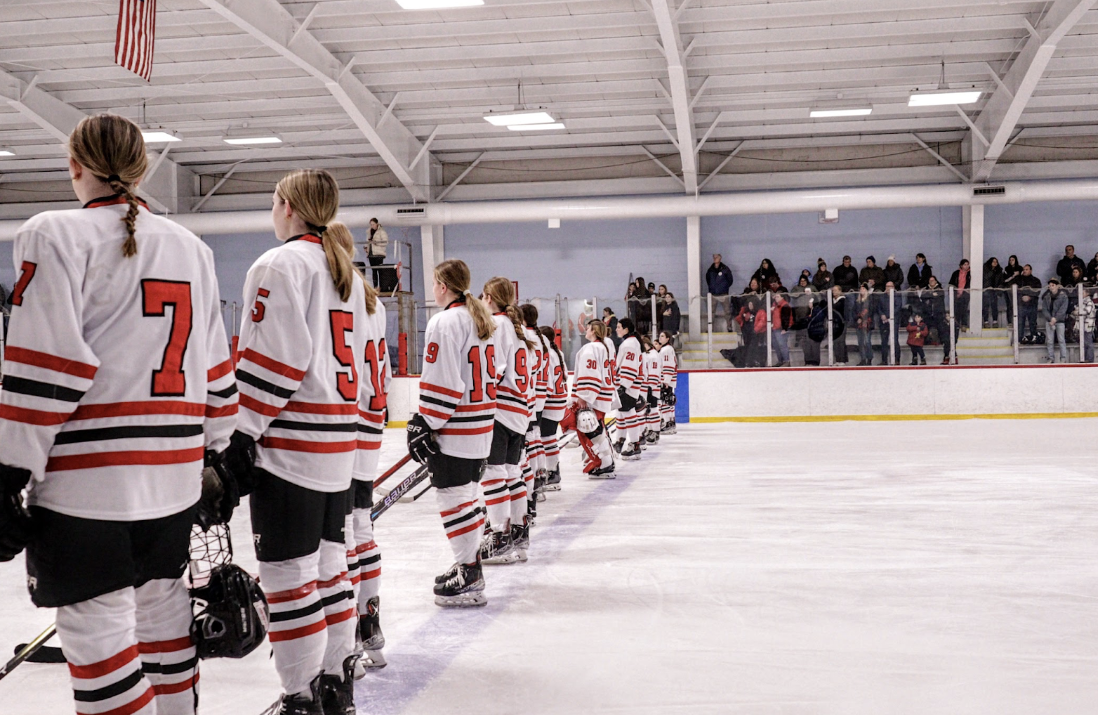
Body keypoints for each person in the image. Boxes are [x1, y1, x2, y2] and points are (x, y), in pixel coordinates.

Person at [0, 113, 238, 715]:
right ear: (143, 169)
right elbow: (214, 369)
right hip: (176, 477)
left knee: (98, 640)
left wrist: (6, 472)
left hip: (89, 485)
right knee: (162, 620)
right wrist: (218, 452)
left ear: (75, 166)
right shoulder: (191, 246)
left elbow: (44, 365)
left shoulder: (53, 232)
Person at [234, 169, 374, 713]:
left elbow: (273, 362)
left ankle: (299, 696)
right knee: (331, 572)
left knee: (290, 582)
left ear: (287, 205)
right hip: (338, 447)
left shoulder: (281, 263)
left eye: (273, 200)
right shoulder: (349, 278)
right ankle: (337, 684)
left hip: (291, 451)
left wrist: (239, 434)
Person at [407, 259, 497, 608]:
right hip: (481, 429)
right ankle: (470, 564)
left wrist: (424, 421)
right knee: (468, 499)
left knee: (453, 501)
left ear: (443, 286)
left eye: (434, 283)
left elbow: (442, 382)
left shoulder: (445, 322)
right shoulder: (481, 320)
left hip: (456, 430)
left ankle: (469, 574)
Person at [329, 224, 390, 672]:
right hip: (370, 423)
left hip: (338, 427)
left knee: (338, 538)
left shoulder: (332, 290)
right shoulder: (374, 299)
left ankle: (346, 635)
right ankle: (370, 625)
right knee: (361, 527)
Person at [476, 278, 533, 566]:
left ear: (488, 297)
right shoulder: (518, 330)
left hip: (500, 411)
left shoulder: (497, 326)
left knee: (494, 474)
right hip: (519, 412)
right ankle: (519, 533)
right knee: (513, 473)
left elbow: (493, 371)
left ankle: (499, 536)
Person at [562, 320, 615, 477]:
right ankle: (605, 460)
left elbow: (589, 373)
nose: (586, 330)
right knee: (596, 429)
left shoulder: (591, 348)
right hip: (602, 395)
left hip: (594, 396)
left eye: (588, 328)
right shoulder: (602, 347)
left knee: (592, 430)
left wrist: (584, 396)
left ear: (594, 331)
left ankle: (606, 463)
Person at [519, 304, 548, 523]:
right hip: (537, 392)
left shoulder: (523, 336)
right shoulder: (542, 339)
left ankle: (531, 489)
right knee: (535, 436)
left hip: (526, 395)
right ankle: (539, 475)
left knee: (527, 443)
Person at [539, 326, 568, 489]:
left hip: (550, 401)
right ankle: (552, 470)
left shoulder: (547, 354)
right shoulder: (557, 352)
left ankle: (553, 472)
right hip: (559, 400)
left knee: (547, 438)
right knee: (548, 437)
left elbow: (547, 380)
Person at [613, 318, 645, 460]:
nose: (616, 329)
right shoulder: (630, 343)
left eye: (619, 327)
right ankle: (620, 441)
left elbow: (629, 367)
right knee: (622, 413)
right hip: (628, 385)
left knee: (628, 413)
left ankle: (634, 444)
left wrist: (623, 386)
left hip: (628, 386)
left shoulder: (630, 344)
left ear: (626, 329)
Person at [640, 335, 662, 444]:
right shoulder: (649, 354)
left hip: (651, 387)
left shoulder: (653, 355)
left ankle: (656, 432)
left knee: (653, 409)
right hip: (649, 386)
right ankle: (651, 430)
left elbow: (653, 372)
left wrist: (650, 387)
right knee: (648, 410)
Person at [1040, 279, 1069, 363]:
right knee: (1049, 340)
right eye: (1050, 286)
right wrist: (1050, 319)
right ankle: (1051, 357)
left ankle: (1063, 358)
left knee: (1061, 339)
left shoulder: (1063, 296)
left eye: (1053, 285)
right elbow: (1044, 309)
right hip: (1049, 321)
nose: (1051, 287)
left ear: (1057, 286)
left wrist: (1055, 318)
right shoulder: (1047, 297)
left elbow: (1063, 309)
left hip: (1060, 321)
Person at [706, 254, 735, 332]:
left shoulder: (725, 269)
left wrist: (724, 287)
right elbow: (708, 280)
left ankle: (729, 326)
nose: (715, 258)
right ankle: (710, 328)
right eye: (714, 257)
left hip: (723, 294)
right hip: (713, 294)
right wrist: (712, 288)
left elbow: (730, 280)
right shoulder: (710, 270)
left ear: (720, 258)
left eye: (717, 257)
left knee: (727, 311)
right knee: (711, 312)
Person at [657, 331, 678, 434]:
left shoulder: (666, 350)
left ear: (667, 338)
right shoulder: (667, 349)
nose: (660, 338)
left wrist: (665, 381)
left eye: (662, 336)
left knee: (665, 401)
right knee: (668, 402)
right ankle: (671, 423)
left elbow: (668, 366)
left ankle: (667, 423)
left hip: (667, 381)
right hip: (668, 380)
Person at [1016, 264, 1043, 342]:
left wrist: (1029, 297)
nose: (1024, 271)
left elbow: (1037, 292)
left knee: (1032, 323)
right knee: (1020, 323)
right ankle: (1019, 340)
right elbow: (1016, 291)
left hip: (1032, 305)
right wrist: (1022, 298)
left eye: (1026, 269)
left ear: (1031, 270)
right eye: (1024, 269)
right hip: (1021, 305)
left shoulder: (1036, 280)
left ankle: (1034, 338)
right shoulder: (1019, 280)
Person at [876, 281, 899, 364]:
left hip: (893, 321)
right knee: (884, 341)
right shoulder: (882, 297)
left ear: (893, 287)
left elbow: (898, 307)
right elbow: (879, 308)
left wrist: (889, 316)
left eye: (890, 286)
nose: (888, 288)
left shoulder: (897, 296)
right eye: (887, 286)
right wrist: (882, 315)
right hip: (884, 322)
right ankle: (884, 360)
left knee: (895, 340)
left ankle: (896, 360)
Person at [769, 291, 793, 367]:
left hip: (781, 329)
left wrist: (784, 328)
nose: (776, 298)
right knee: (776, 345)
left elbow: (786, 318)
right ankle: (781, 360)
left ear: (782, 297)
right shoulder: (776, 305)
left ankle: (786, 361)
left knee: (782, 345)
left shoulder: (784, 305)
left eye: (777, 296)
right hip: (775, 328)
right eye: (775, 297)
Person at [854, 284, 874, 366]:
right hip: (859, 325)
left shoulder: (870, 300)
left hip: (867, 324)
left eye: (863, 289)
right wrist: (857, 318)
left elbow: (871, 311)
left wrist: (863, 318)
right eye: (860, 289)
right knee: (860, 342)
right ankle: (863, 359)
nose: (861, 290)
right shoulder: (857, 301)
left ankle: (869, 358)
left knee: (867, 342)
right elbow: (853, 312)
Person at [949, 259, 972, 330]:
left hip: (965, 294)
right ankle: (957, 325)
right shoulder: (956, 273)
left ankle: (964, 324)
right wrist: (956, 292)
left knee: (964, 310)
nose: (967, 266)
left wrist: (963, 293)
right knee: (956, 310)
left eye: (967, 264)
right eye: (965, 264)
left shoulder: (970, 273)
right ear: (961, 265)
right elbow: (951, 283)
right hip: (956, 294)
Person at [829, 285, 849, 365]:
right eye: (833, 290)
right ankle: (837, 359)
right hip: (834, 323)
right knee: (835, 341)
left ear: (840, 291)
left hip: (841, 323)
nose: (834, 292)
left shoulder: (843, 300)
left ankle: (842, 360)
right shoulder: (832, 300)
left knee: (840, 341)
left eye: (836, 290)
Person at [366, 218, 388, 288]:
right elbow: (368, 241)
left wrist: (376, 243)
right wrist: (366, 248)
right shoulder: (369, 232)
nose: (372, 226)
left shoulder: (382, 232)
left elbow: (385, 242)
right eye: (371, 224)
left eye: (373, 224)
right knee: (374, 271)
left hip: (379, 254)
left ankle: (381, 287)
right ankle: (375, 287)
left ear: (377, 224)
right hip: (371, 254)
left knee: (380, 271)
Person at [983, 256, 1004, 328]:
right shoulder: (985, 269)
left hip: (995, 291)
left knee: (994, 306)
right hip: (986, 290)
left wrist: (999, 292)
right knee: (985, 305)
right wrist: (992, 271)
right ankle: (985, 321)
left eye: (996, 262)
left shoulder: (999, 271)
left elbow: (1001, 282)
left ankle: (995, 321)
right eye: (993, 261)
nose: (995, 263)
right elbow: (985, 278)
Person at [1002, 254, 1022, 325]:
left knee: (1018, 305)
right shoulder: (1007, 269)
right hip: (1008, 289)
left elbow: (1022, 279)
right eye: (1010, 260)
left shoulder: (1020, 268)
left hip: (1018, 289)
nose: (1011, 261)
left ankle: (1019, 321)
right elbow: (1005, 280)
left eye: (1013, 260)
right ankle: (1010, 321)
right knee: (1010, 305)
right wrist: (1013, 275)